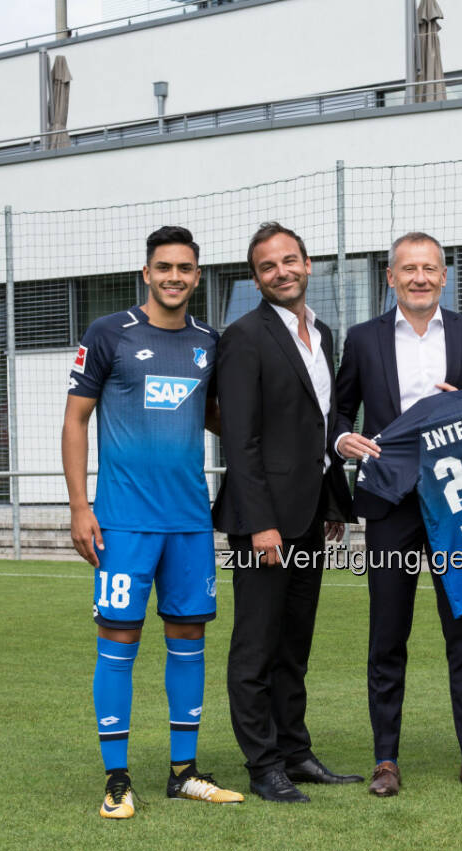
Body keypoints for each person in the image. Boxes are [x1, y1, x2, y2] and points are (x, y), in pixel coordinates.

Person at [63, 225, 244, 819]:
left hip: (190, 522)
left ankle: (183, 772)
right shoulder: (108, 333)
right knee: (118, 640)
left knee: (188, 640)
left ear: (197, 275)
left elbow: (218, 416)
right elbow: (75, 421)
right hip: (124, 522)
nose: (173, 277)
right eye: (163, 267)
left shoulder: (209, 342)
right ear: (147, 273)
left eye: (185, 268)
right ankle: (117, 778)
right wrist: (80, 506)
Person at [332, 231, 462, 797]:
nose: (420, 278)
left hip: (459, 501)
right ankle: (386, 760)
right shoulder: (362, 339)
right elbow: (338, 410)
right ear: (391, 276)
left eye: (430, 268)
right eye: (409, 269)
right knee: (387, 633)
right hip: (389, 503)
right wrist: (341, 442)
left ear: (444, 274)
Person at [212, 222, 359, 804]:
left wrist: (330, 504)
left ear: (308, 263)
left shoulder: (321, 334)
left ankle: (295, 751)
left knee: (294, 646)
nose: (282, 271)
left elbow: (318, 430)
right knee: (256, 648)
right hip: (265, 523)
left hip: (310, 516)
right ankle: (262, 763)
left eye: (290, 260)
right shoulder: (244, 336)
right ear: (255, 279)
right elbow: (241, 439)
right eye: (268, 266)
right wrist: (260, 522)